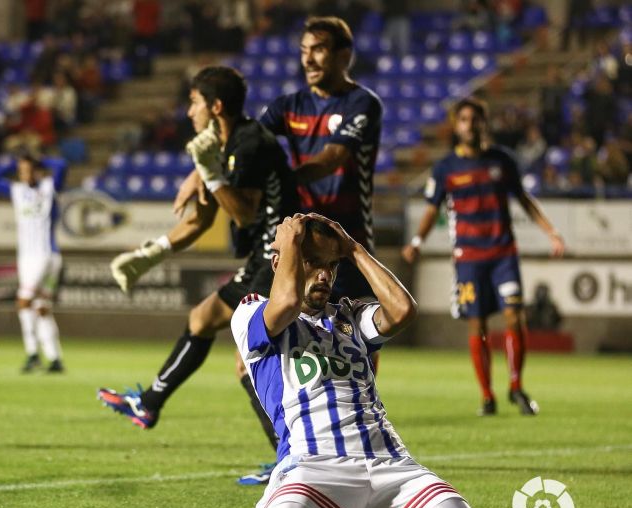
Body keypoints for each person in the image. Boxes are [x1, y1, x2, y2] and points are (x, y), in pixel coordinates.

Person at [232, 212, 493, 508]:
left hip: (391, 467)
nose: (324, 275)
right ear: (281, 261)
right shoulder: (250, 311)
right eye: (313, 263)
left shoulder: (350, 316)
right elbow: (287, 303)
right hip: (314, 467)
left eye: (330, 265)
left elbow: (402, 310)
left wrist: (353, 249)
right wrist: (289, 240)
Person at [98, 66, 297, 459]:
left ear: (216, 106)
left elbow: (242, 212)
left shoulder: (249, 143)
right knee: (207, 323)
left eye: (194, 102)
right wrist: (145, 257)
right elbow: (201, 219)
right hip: (265, 256)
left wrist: (210, 174)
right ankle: (152, 403)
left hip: (277, 258)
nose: (189, 112)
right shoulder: (221, 144)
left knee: (245, 359)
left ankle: (290, 457)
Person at [401, 97, 565, 417]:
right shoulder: (446, 167)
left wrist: (551, 232)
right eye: (463, 119)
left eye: (475, 119)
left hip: (503, 253)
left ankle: (516, 387)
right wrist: (417, 240)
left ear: (483, 123)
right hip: (469, 258)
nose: (470, 124)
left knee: (515, 315)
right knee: (478, 323)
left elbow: (524, 199)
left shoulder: (501, 161)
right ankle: (487, 395)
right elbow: (432, 208)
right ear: (456, 125)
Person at [259, 16, 382, 304]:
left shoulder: (362, 103)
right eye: (304, 50)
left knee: (360, 334)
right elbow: (249, 146)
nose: (308, 60)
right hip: (300, 237)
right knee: (267, 321)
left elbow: (332, 159)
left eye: (318, 49)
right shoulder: (288, 106)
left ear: (344, 55)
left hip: (348, 237)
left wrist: (282, 180)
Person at [0, 153, 67, 373]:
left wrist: (40, 160)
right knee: (41, 308)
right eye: (22, 171)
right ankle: (55, 358)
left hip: (43, 254)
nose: (25, 175)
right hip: (28, 256)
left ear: (38, 171)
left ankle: (32, 354)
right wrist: (13, 163)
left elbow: (61, 164)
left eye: (30, 170)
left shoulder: (49, 187)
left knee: (23, 301)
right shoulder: (17, 190)